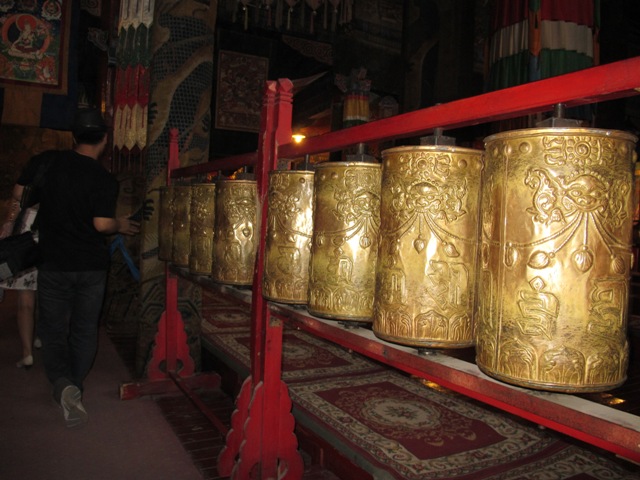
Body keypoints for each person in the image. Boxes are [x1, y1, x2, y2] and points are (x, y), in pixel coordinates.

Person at [16, 107, 140, 427]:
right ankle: (73, 384)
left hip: (53, 262)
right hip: (91, 266)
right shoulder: (103, 179)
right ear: (105, 139)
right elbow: (101, 224)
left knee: (53, 328)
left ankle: (63, 384)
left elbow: (20, 193)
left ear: (73, 136)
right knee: (84, 328)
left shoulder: (49, 164)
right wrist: (121, 224)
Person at [0, 196, 39, 369]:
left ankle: (27, 352)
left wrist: (9, 222)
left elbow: (16, 201)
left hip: (27, 238)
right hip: (51, 237)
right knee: (49, 294)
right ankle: (41, 335)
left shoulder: (27, 184)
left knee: (25, 302)